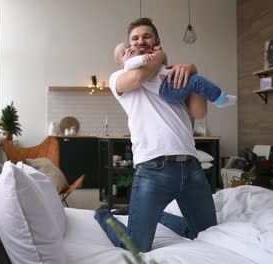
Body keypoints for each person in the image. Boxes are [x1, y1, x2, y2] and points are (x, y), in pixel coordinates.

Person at [94, 17, 217, 253]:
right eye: (135, 38)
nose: (141, 41)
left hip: (191, 168)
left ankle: (159, 217)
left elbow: (199, 112)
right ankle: (102, 215)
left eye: (146, 36)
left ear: (156, 41)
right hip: (153, 169)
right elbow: (138, 77)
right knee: (135, 247)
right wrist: (160, 56)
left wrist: (193, 71)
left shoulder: (173, 75)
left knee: (206, 234)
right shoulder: (117, 77)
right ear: (129, 45)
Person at [114, 42, 236, 108]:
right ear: (121, 64)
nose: (128, 50)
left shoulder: (146, 59)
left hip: (170, 87)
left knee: (196, 84)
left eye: (129, 46)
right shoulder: (129, 66)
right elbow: (131, 63)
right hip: (168, 88)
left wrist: (156, 54)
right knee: (197, 81)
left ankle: (216, 98)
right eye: (123, 53)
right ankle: (220, 99)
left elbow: (162, 66)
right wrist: (144, 58)